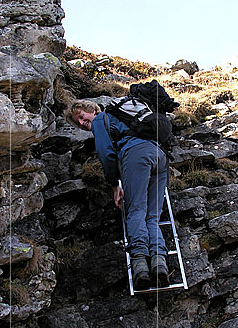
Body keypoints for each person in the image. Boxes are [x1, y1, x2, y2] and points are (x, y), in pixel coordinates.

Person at [67, 99, 169, 290]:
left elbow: (106, 154)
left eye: (81, 116)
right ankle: (159, 263)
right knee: (153, 215)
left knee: (136, 210)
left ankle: (140, 266)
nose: (81, 123)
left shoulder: (100, 120)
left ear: (92, 109)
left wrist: (115, 185)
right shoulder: (123, 117)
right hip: (159, 156)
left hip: (136, 155)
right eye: (77, 122)